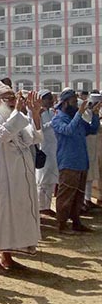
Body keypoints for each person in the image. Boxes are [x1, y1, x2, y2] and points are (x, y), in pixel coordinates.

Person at [0, 87, 42, 273]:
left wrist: (34, 114)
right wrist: (17, 111)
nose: (11, 100)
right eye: (7, 98)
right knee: (0, 214)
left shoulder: (13, 115)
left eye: (13, 97)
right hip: (1, 174)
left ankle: (7, 256)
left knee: (14, 214)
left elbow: (33, 138)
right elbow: (2, 135)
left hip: (18, 173)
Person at [52, 89, 100, 234]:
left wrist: (95, 114)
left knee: (78, 195)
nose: (76, 105)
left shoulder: (77, 118)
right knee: (66, 195)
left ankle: (76, 222)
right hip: (68, 163)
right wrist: (79, 114)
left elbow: (92, 129)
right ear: (65, 103)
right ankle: (61, 224)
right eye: (73, 102)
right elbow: (68, 131)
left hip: (81, 162)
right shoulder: (58, 119)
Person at [36, 90, 59, 217]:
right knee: (43, 180)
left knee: (51, 179)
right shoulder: (37, 112)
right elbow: (39, 128)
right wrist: (53, 122)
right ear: (42, 99)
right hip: (44, 149)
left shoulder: (51, 111)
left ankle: (47, 206)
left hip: (53, 149)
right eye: (49, 99)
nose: (51, 101)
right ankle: (41, 207)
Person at [83, 93, 101, 209]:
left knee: (91, 175)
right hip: (86, 146)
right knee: (86, 175)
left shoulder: (93, 113)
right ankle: (84, 200)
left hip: (94, 147)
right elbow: (92, 129)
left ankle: (88, 199)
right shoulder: (85, 114)